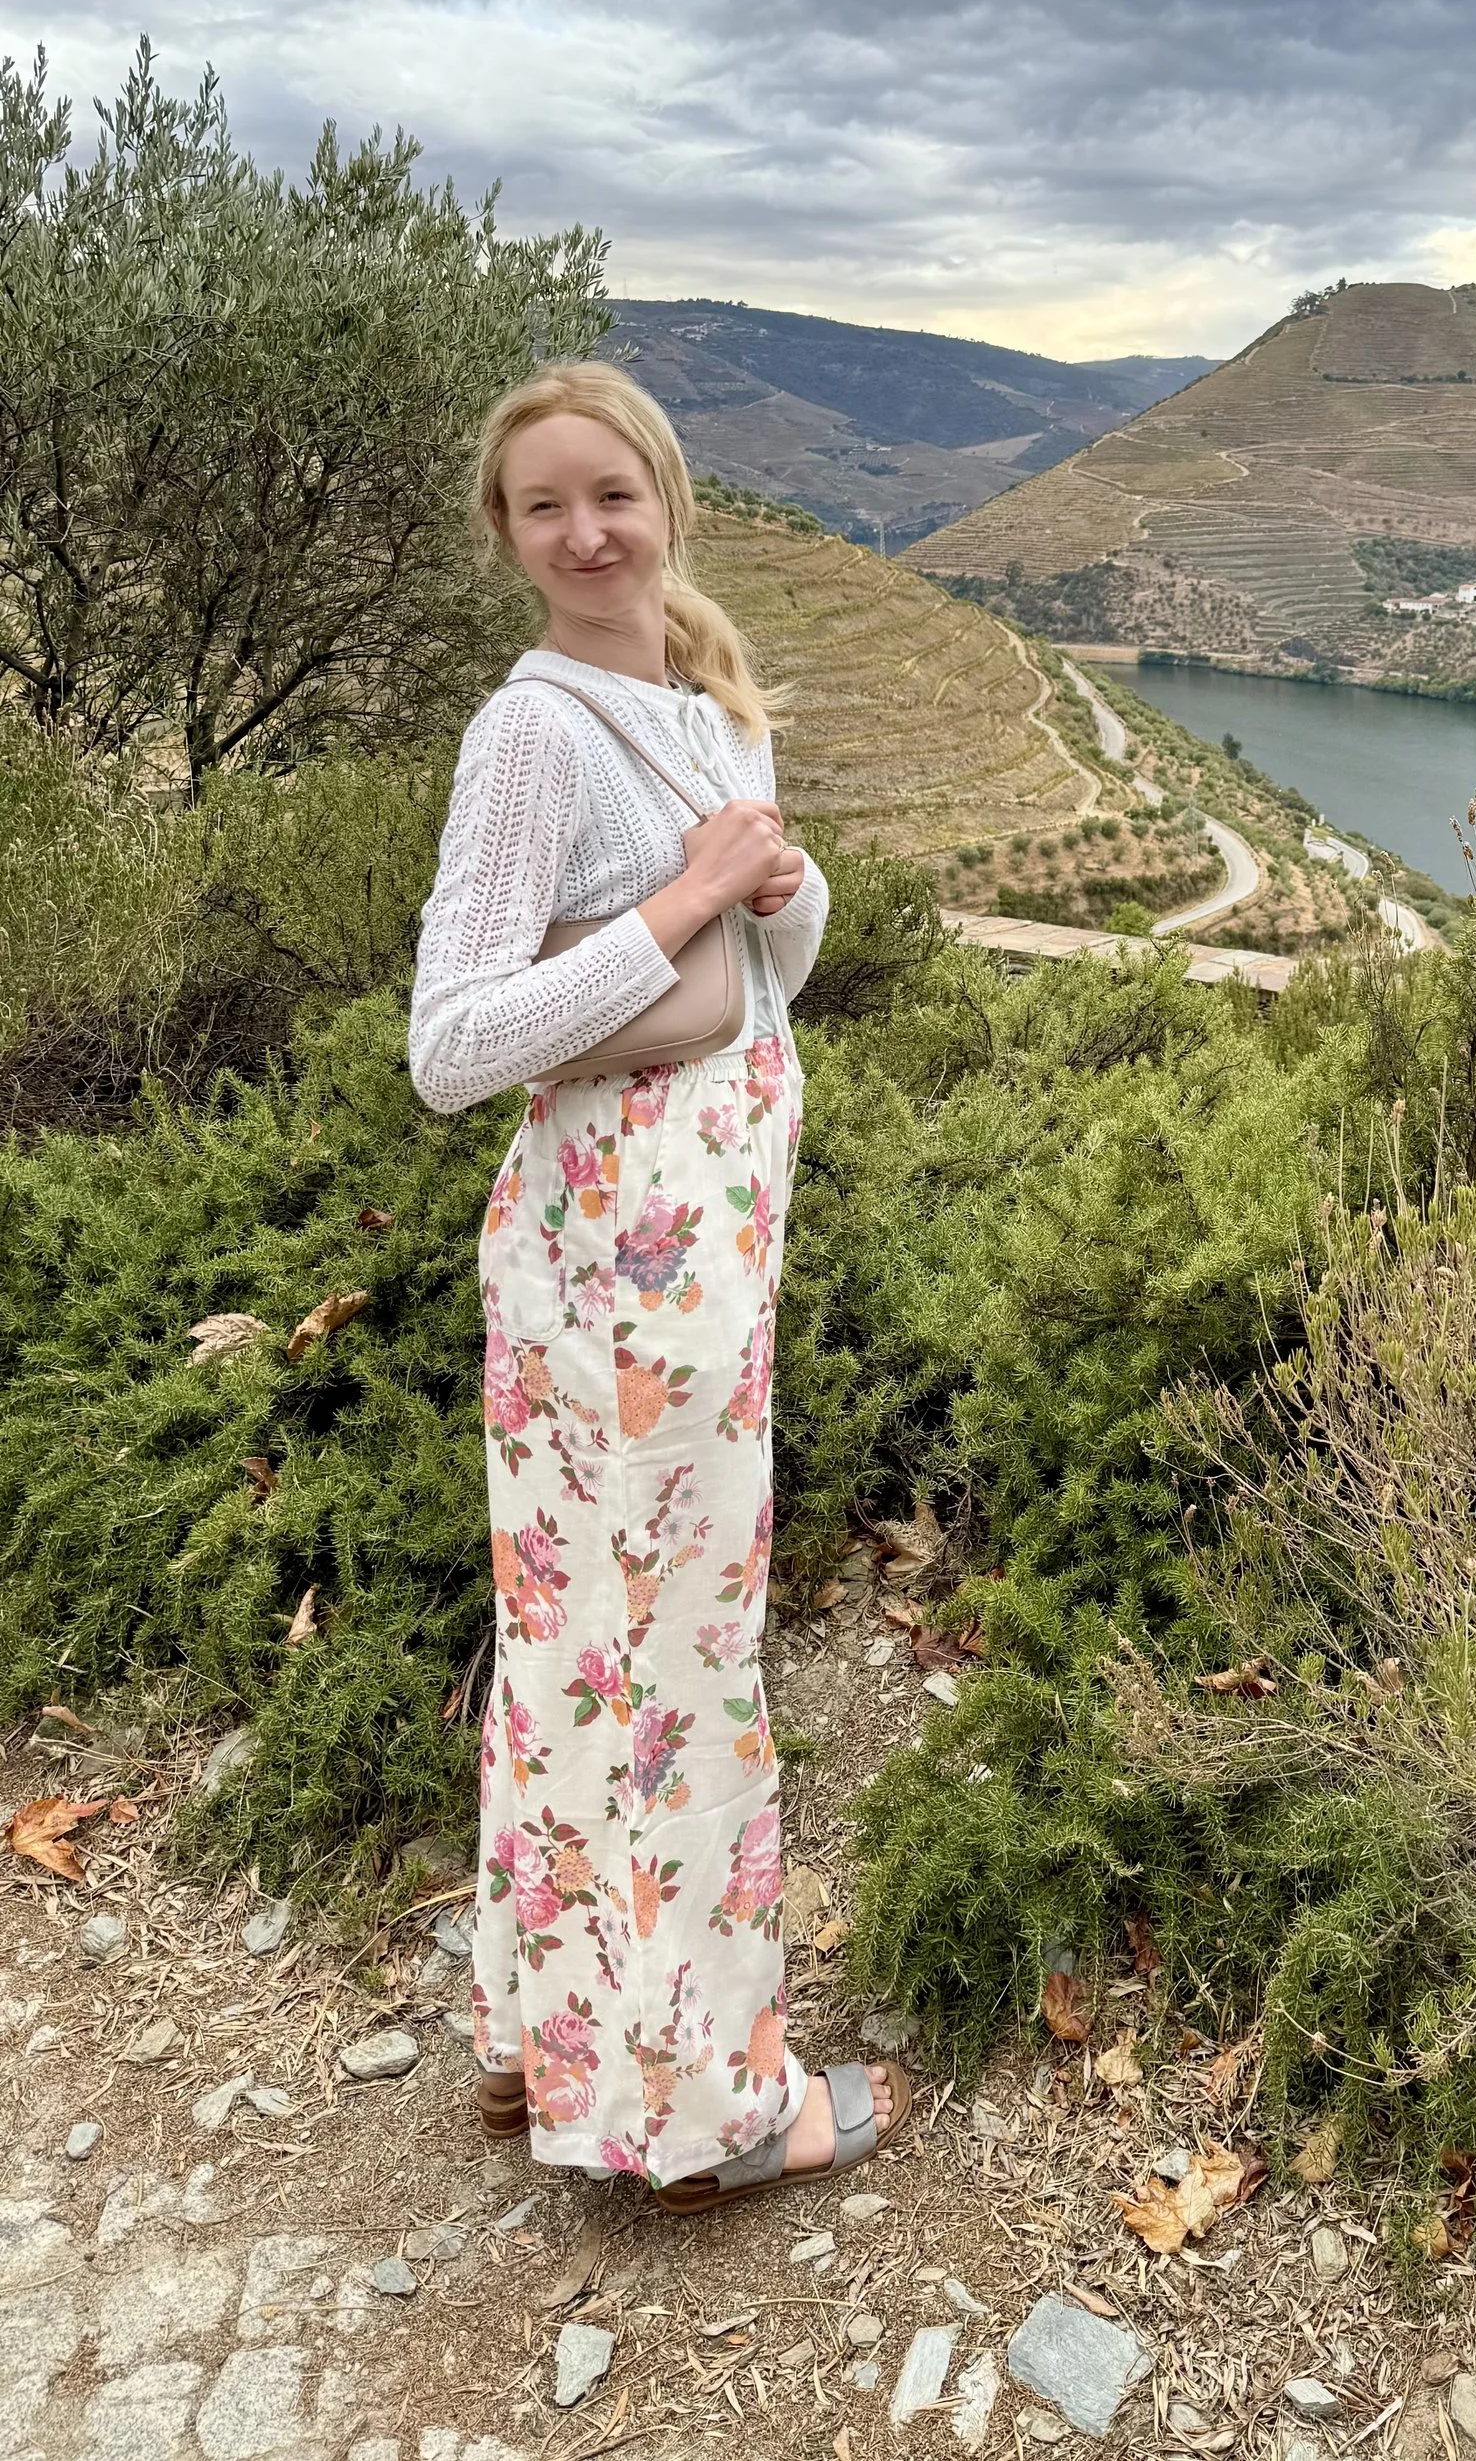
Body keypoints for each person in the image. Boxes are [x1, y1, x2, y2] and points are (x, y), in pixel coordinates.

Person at [409, 360, 906, 2206]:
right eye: (546, 505)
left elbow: (786, 952)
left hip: (698, 1254)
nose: (586, 531)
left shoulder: (699, 687)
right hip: (620, 1275)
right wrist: (682, 906)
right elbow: (451, 1045)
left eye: (611, 492)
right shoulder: (532, 737)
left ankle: (551, 2045)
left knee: (593, 1655)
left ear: (669, 498)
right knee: (665, 1668)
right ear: (508, 534)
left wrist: (771, 892)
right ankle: (710, 2112)